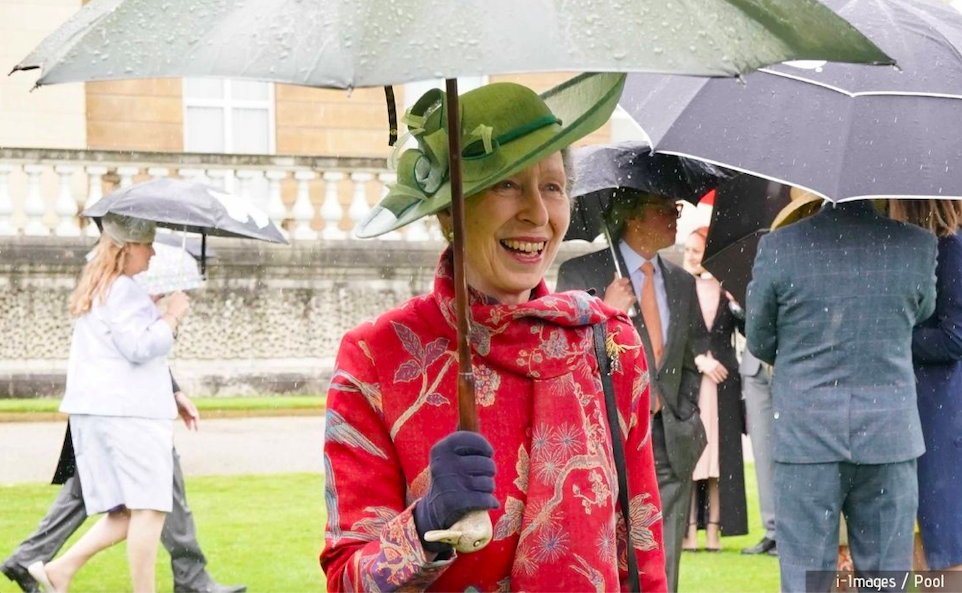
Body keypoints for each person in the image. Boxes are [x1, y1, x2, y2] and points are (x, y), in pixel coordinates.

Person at [321, 75, 668, 591]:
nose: (537, 213)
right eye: (506, 184)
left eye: (552, 186)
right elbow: (347, 579)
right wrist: (424, 525)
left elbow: (640, 553)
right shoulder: (377, 357)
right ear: (448, 213)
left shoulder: (608, 344)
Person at [746, 200, 938, 593]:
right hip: (889, 434)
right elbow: (922, 313)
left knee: (805, 580)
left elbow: (760, 339)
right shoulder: (917, 246)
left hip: (806, 435)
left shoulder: (781, 246)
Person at [25, 213, 189, 593]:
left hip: (102, 412)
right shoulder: (123, 290)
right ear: (127, 248)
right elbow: (139, 347)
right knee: (150, 508)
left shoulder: (107, 288)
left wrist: (152, 310)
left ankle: (59, 571)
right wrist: (172, 316)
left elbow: (124, 342)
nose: (152, 254)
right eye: (146, 245)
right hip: (127, 415)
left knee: (127, 512)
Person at [557, 189, 707, 592]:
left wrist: (683, 412)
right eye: (666, 210)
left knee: (665, 558)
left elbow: (691, 360)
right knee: (605, 552)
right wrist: (607, 312)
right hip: (606, 439)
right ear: (634, 218)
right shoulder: (581, 274)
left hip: (670, 442)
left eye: (676, 209)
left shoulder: (680, 281)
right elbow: (563, 359)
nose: (677, 217)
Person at [1, 371, 246, 593]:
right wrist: (173, 320)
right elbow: (138, 343)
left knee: (117, 504)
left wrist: (173, 390)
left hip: (115, 406)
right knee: (143, 502)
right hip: (125, 409)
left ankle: (43, 563)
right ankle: (191, 578)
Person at [890, 199, 962, 574]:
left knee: (945, 548)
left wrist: (894, 335)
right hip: (914, 409)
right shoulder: (913, 246)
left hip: (939, 414)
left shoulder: (949, 246)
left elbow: (954, 338)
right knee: (921, 545)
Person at [679, 228, 747, 552]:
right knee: (694, 458)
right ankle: (689, 531)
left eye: (696, 250)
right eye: (689, 250)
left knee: (721, 461)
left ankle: (714, 533)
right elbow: (672, 335)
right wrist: (698, 360)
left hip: (724, 386)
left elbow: (750, 330)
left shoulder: (726, 287)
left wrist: (739, 304)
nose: (690, 256)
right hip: (692, 384)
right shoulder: (679, 287)